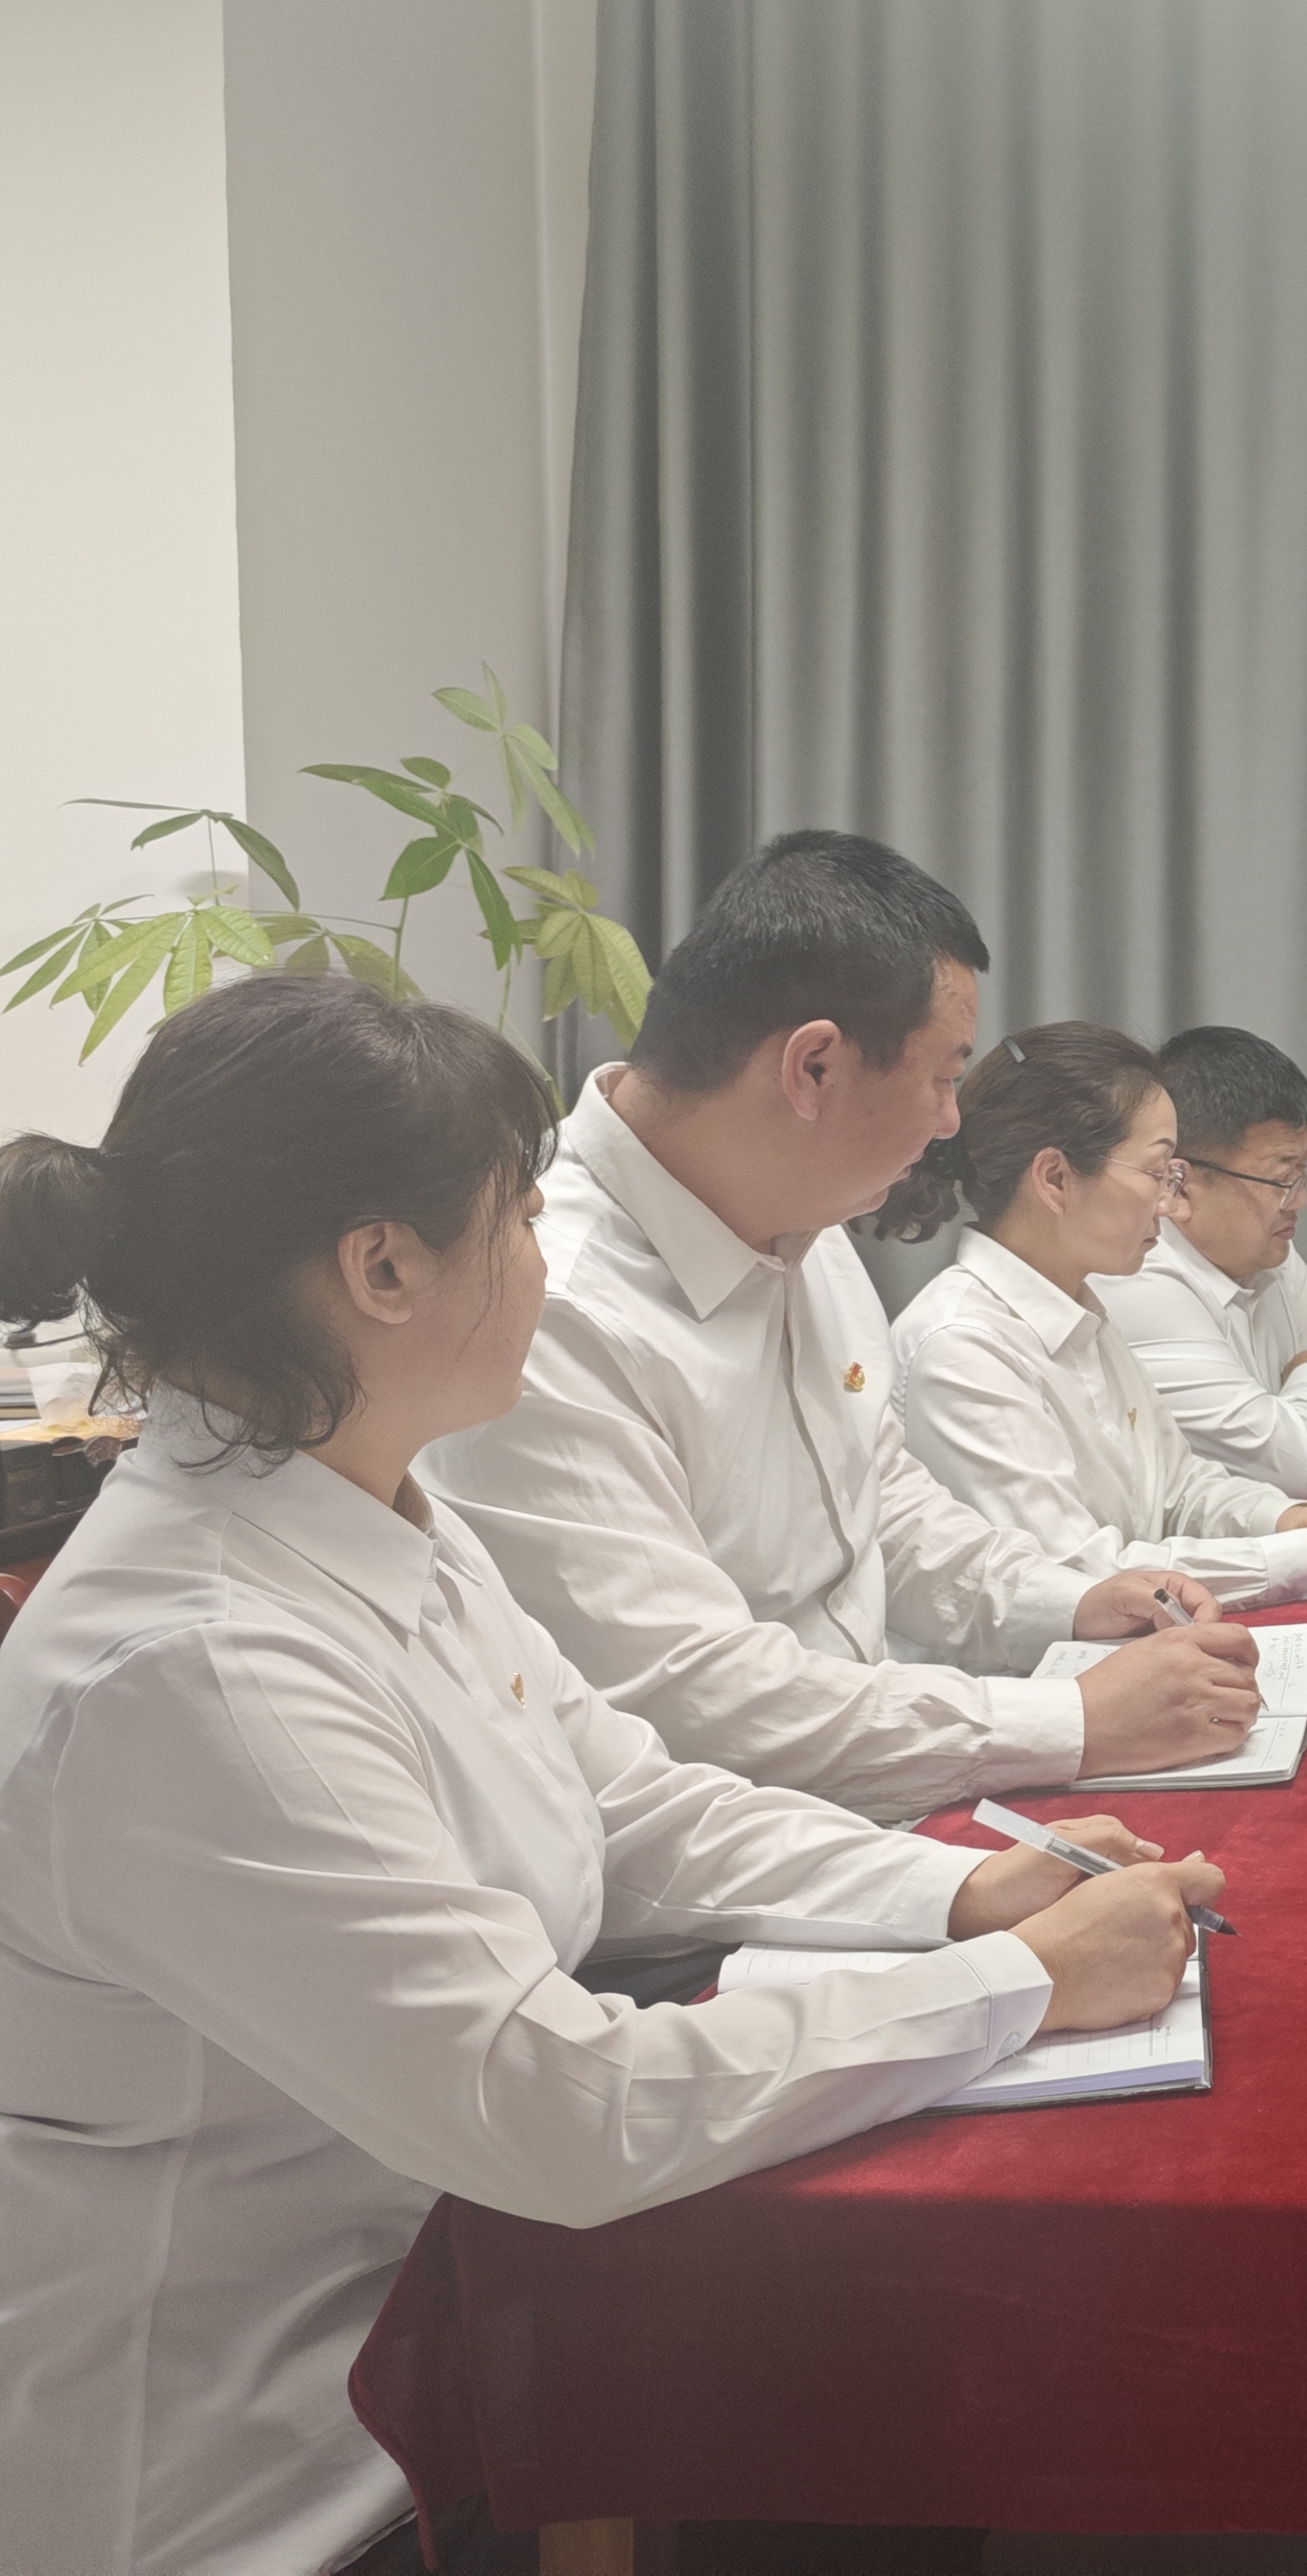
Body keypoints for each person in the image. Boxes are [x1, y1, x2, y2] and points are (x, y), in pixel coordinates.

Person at [0, 975, 1222, 2576]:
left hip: (478, 2343)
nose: (544, 1259)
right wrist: (1015, 1984)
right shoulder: (197, 1665)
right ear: (380, 1268)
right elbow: (553, 2105)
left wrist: (966, 1888)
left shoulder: (373, 1513)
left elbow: (631, 1803)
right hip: (296, 2494)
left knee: (925, 2412)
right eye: (519, 1218)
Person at [422, 832, 1268, 1825]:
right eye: (943, 1077)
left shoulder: (806, 1226)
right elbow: (693, 1699)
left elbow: (883, 1507)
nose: (952, 1123)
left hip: (873, 1794)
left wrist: (1075, 1600)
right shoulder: (550, 1304)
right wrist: (1070, 1719)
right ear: (814, 1067)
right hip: (722, 1852)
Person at [884, 1024, 1307, 1595]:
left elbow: (1179, 1488)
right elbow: (1071, 1574)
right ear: (1055, 1179)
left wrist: (1292, 1521)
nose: (1172, 1203)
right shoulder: (963, 1345)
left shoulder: (1083, 1309)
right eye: (1157, 1173)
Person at [1097, 1024, 1307, 1501]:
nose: (1299, 1200)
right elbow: (1297, 1470)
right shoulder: (1139, 1278)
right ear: (1180, 1184)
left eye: (1304, 1170)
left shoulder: (1272, 1251)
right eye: (1281, 1178)